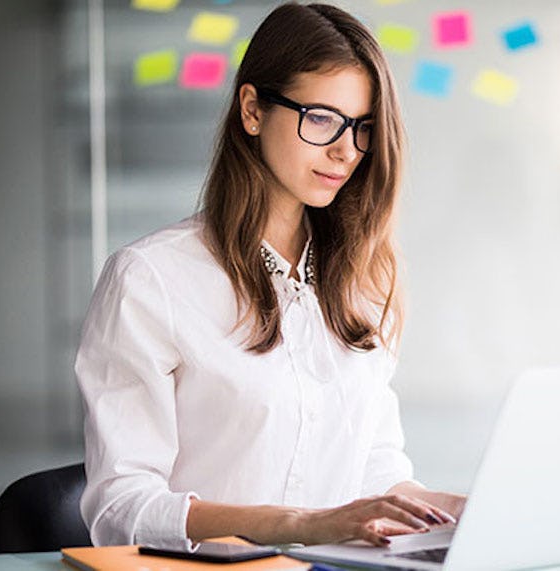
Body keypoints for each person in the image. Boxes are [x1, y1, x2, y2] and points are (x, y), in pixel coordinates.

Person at [75, 2, 466, 551]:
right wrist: (301, 525)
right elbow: (121, 511)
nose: (346, 150)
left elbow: (374, 470)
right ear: (253, 110)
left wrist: (465, 508)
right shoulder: (150, 280)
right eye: (322, 118)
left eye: (363, 128)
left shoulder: (362, 282)